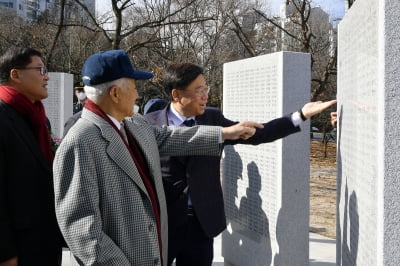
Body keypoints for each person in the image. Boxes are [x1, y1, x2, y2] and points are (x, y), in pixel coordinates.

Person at [53, 50, 261, 265]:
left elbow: (169, 136)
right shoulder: (81, 140)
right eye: (133, 88)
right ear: (115, 93)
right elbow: (80, 227)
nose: (137, 95)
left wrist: (225, 133)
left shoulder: (133, 124)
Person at [144, 63, 337, 266]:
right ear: (176, 94)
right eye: (198, 90)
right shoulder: (149, 124)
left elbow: (258, 134)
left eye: (205, 88)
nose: (205, 95)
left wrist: (301, 115)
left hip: (201, 221)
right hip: (163, 221)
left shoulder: (212, 118)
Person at [0, 47, 64, 265]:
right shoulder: (3, 116)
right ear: (15, 75)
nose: (46, 77)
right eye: (39, 70)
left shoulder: (37, 117)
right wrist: (5, 254)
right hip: (17, 248)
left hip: (44, 241)